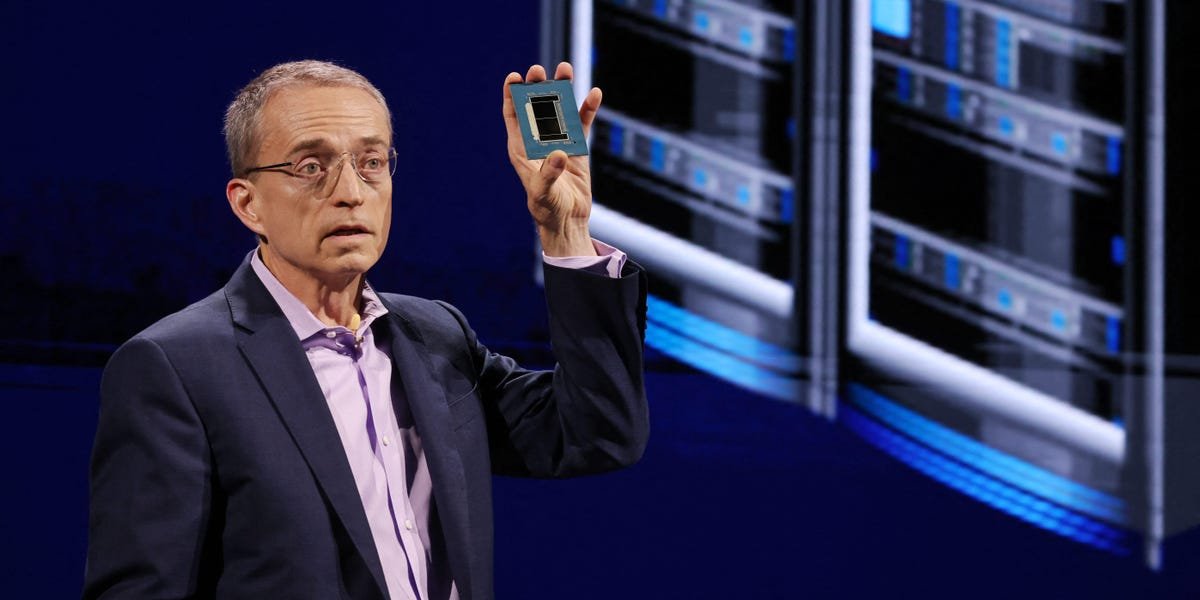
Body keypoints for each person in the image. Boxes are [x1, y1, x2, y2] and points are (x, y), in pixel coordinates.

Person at [83, 60, 648, 600]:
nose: (350, 192)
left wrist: (565, 231)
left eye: (371, 162)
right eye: (311, 167)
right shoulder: (176, 367)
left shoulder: (436, 337)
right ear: (248, 204)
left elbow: (597, 433)